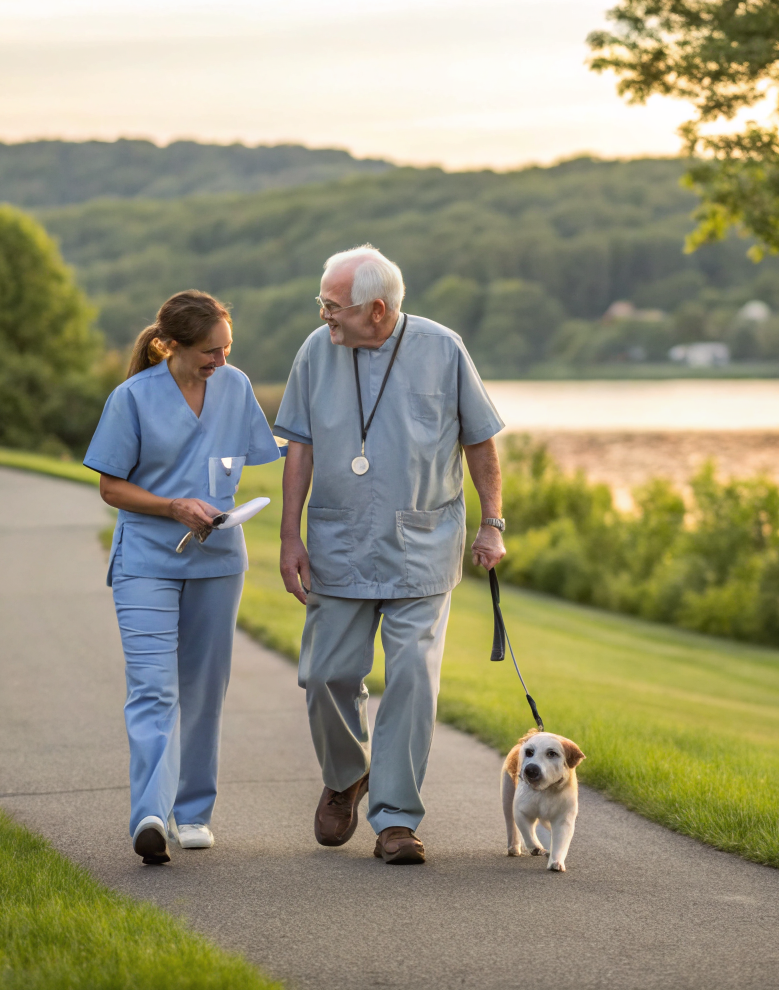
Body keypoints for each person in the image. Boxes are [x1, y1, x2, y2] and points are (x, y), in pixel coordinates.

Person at [274, 245, 507, 864]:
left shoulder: (442, 348)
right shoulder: (313, 351)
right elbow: (297, 445)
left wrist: (493, 524)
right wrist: (289, 535)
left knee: (410, 676)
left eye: (333, 305)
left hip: (421, 545)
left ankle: (397, 819)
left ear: (376, 310)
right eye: (322, 303)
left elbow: (480, 441)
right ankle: (347, 773)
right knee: (326, 675)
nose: (324, 315)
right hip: (337, 542)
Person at [84, 290, 280, 864]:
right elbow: (110, 487)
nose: (220, 360)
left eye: (226, 348)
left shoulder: (236, 387)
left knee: (204, 691)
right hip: (147, 559)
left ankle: (192, 812)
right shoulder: (132, 399)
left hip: (218, 562)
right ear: (172, 345)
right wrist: (173, 506)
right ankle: (150, 812)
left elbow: (248, 460)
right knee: (153, 688)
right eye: (208, 352)